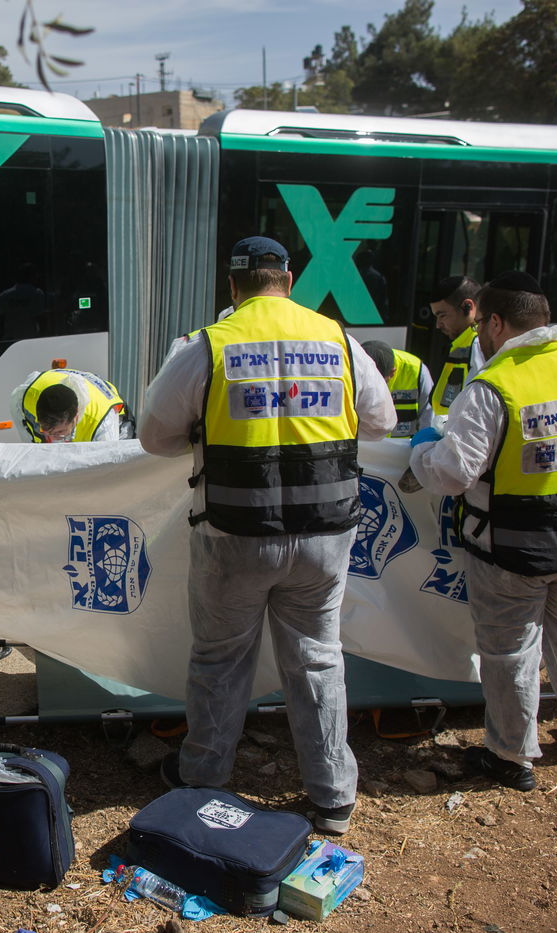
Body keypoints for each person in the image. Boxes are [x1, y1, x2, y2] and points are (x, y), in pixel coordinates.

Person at [138, 236, 396, 836]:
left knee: (220, 658)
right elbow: (381, 422)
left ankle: (203, 776)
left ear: (233, 286)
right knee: (317, 660)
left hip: (236, 533)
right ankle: (333, 797)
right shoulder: (338, 340)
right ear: (288, 280)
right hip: (325, 535)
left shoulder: (210, 345)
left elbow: (154, 435)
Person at [408, 271, 557, 791]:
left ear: (495, 322)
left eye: (482, 328)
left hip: (509, 549)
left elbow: (451, 475)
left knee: (509, 651)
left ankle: (510, 755)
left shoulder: (494, 387)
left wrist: (423, 448)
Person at [11, 368, 135, 442]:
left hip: (117, 421)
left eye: (60, 432)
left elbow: (107, 467)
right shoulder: (24, 396)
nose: (52, 438)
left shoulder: (103, 424)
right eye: (45, 430)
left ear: (76, 416)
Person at [428, 275, 485, 419]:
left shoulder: (478, 345)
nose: (438, 325)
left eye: (442, 315)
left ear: (468, 306)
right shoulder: (463, 343)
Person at [361, 340, 433, 438]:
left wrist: (424, 443)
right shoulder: (350, 368)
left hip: (404, 445)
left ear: (392, 373)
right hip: (366, 443)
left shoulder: (416, 371)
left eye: (380, 382)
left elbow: (428, 416)